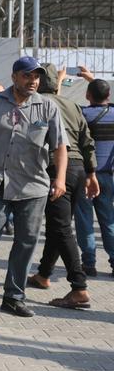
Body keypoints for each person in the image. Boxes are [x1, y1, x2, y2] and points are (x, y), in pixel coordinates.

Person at [0, 56, 67, 317]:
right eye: (28, 76)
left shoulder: (47, 107)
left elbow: (60, 146)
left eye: (37, 76)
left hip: (33, 184)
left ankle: (13, 296)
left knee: (27, 240)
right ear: (15, 77)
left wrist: (59, 178)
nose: (33, 81)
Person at [26, 64, 98, 309]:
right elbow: (86, 141)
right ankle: (44, 274)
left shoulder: (36, 103)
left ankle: (79, 287)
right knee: (59, 225)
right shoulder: (71, 105)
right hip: (77, 170)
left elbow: (33, 140)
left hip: (56, 169)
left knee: (61, 228)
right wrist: (91, 173)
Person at [77, 76, 114, 277]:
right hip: (108, 176)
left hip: (86, 175)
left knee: (84, 220)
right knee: (109, 220)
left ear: (87, 95)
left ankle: (89, 263)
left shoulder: (83, 114)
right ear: (108, 95)